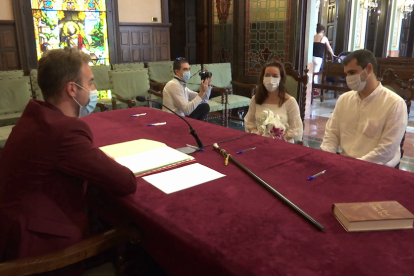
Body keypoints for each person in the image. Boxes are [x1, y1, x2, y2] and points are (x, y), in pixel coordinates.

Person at [0, 48, 137, 262]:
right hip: (38, 249)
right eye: (90, 82)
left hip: (13, 229)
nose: (94, 88)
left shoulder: (36, 114)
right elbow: (126, 182)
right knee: (137, 244)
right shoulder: (65, 131)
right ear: (72, 89)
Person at [321, 49, 407, 167]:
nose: (348, 78)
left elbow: (387, 148)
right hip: (344, 163)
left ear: (369, 69)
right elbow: (332, 133)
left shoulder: (395, 103)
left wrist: (356, 165)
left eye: (352, 72)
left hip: (377, 167)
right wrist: (327, 158)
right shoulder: (344, 99)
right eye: (346, 74)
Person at [244, 61, 303, 143]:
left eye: (275, 76)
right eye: (267, 75)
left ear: (281, 79)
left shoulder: (290, 101)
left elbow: (296, 129)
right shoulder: (255, 99)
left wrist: (279, 140)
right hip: (259, 142)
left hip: (282, 144)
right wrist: (255, 132)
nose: (270, 79)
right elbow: (249, 122)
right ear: (263, 78)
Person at [313, 23, 337, 94]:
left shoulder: (313, 37)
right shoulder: (324, 38)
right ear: (323, 31)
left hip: (311, 57)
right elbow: (329, 48)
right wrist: (332, 54)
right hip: (318, 58)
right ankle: (315, 89)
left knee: (311, 73)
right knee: (316, 73)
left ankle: (310, 87)